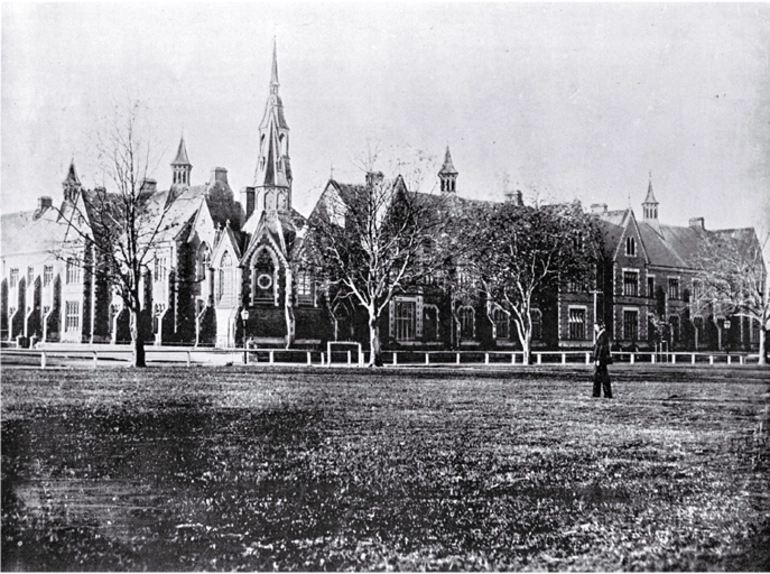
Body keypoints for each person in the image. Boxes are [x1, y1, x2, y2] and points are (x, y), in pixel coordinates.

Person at [592, 320, 613, 398]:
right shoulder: (601, 335)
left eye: (596, 326)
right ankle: (598, 393)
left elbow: (601, 348)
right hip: (600, 359)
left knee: (602, 376)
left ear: (600, 326)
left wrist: (598, 359)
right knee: (599, 376)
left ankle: (603, 393)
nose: (595, 329)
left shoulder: (603, 335)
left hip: (601, 360)